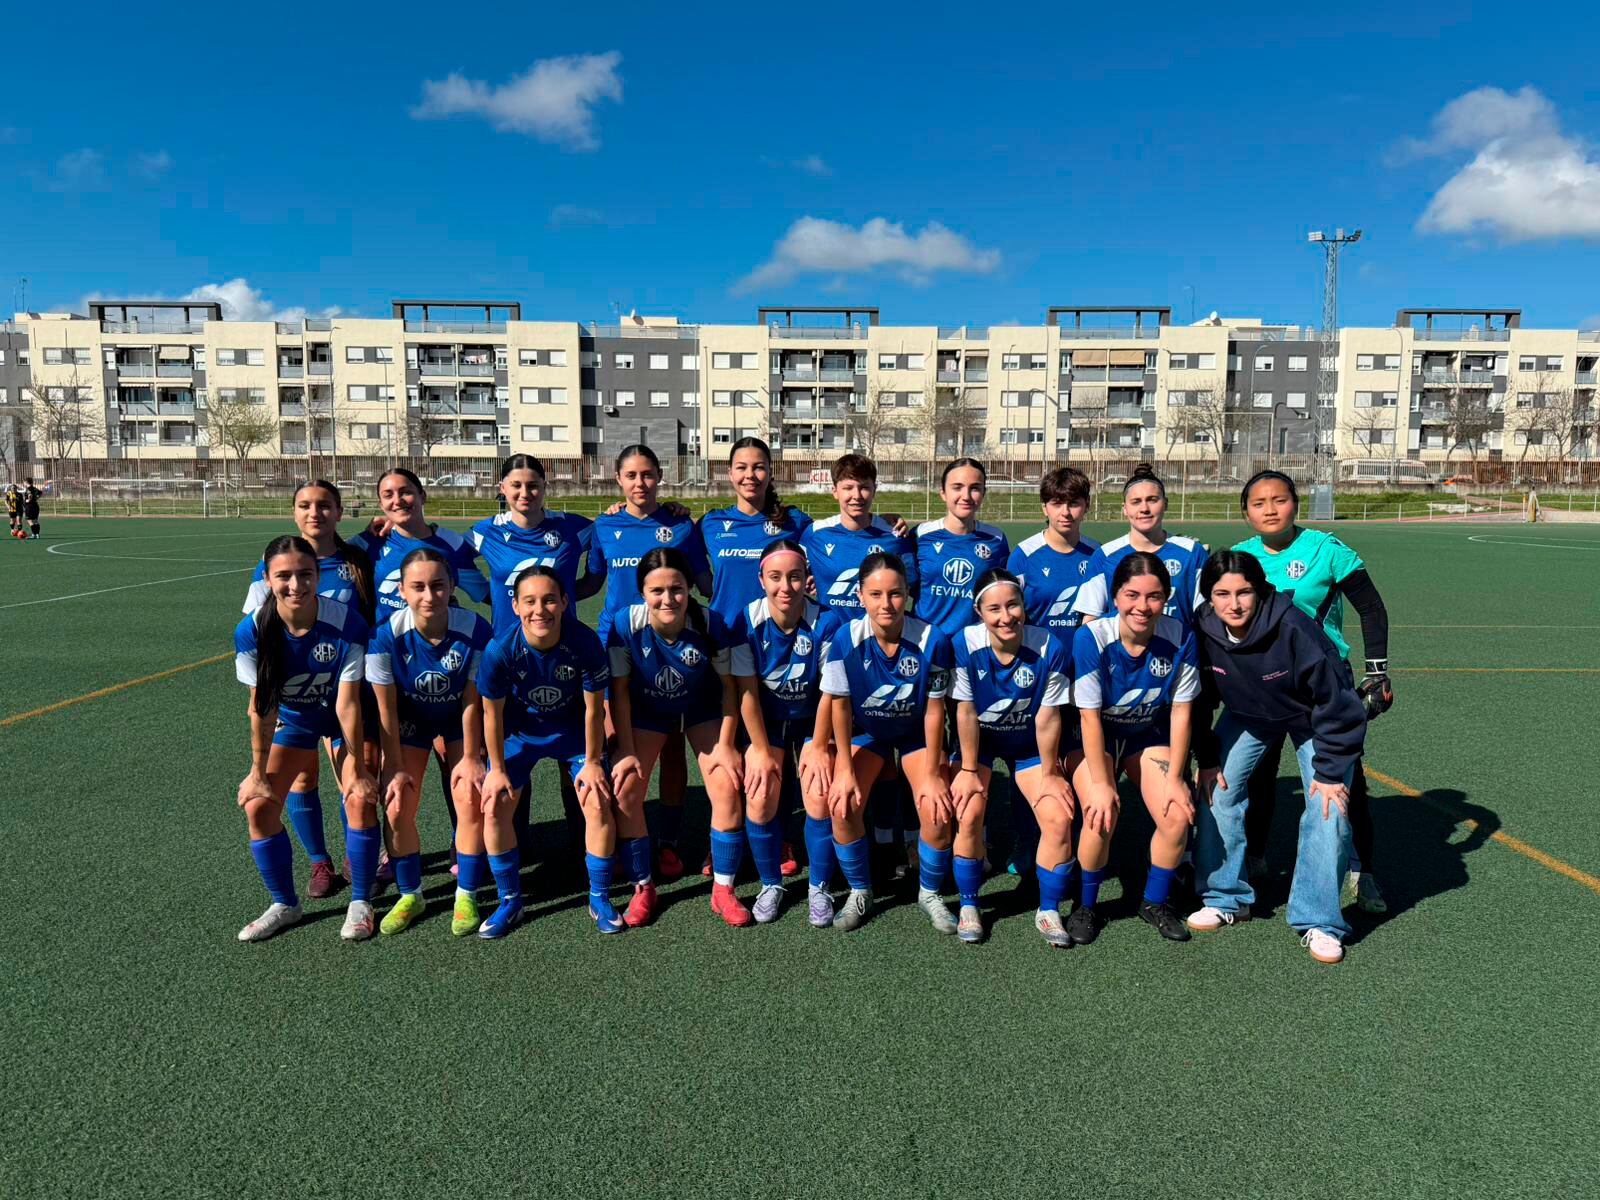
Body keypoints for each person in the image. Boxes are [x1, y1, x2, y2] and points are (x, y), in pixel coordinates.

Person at [1187, 551, 1368, 964]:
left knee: (1328, 805)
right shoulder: (1204, 627)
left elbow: (1338, 703)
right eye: (1222, 593)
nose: (1234, 603)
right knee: (1215, 789)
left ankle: (1320, 920)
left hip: (1312, 719)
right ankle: (1226, 897)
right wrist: (1208, 754)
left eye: (1244, 592)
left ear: (1261, 590)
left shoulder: (1293, 628)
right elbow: (1198, 697)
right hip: (1249, 714)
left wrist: (1330, 769)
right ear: (1208, 597)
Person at [1232, 470, 1392, 912]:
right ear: (1245, 512)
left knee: (1344, 779)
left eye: (1278, 500)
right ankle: (1256, 858)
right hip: (1263, 683)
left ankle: (1363, 873)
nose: (1269, 509)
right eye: (1258, 502)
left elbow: (1372, 609)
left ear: (1294, 504)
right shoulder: (1239, 557)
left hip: (1323, 681)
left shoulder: (1326, 549)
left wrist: (1377, 671)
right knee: (1257, 774)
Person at [233, 535, 379, 942]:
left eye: (304, 574)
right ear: (266, 579)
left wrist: (362, 770)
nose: (295, 585)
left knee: (359, 796)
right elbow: (262, 708)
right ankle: (285, 903)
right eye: (283, 576)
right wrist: (256, 772)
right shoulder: (252, 632)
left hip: (341, 718)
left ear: (317, 575)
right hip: (295, 723)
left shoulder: (346, 622)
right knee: (259, 806)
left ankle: (361, 901)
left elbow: (348, 704)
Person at [468, 453, 599, 862]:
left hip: (565, 654)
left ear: (545, 487)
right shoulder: (484, 532)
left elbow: (597, 566)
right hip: (512, 659)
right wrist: (489, 597)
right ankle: (515, 844)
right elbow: (452, 559)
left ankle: (582, 843)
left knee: (570, 745)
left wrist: (571, 596)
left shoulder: (573, 528)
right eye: (516, 485)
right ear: (502, 489)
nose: (526, 492)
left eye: (533, 484)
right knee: (510, 748)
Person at [591, 445, 714, 882]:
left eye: (647, 474)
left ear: (660, 477)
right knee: (615, 745)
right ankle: (618, 840)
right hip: (619, 645)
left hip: (671, 647)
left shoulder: (680, 524)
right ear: (618, 479)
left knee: (672, 746)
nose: (639, 483)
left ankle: (669, 841)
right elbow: (586, 580)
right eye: (631, 475)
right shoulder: (604, 524)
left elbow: (705, 583)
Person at [609, 547, 747, 928]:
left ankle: (724, 889)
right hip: (648, 711)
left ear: (689, 589)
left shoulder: (709, 622)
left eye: (677, 589)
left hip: (702, 710)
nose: (668, 598)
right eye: (657, 591)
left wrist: (726, 744)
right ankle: (643, 886)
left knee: (727, 784)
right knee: (626, 790)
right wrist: (623, 746)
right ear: (642, 592)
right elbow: (619, 691)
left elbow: (729, 687)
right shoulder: (625, 623)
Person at [475, 566, 616, 937]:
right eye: (531, 601)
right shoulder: (500, 649)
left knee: (597, 799)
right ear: (516, 606)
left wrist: (591, 762)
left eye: (550, 599)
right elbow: (492, 715)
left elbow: (593, 709)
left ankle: (599, 896)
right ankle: (510, 901)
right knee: (494, 805)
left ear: (565, 602)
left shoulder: (584, 642)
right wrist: (497, 769)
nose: (541, 610)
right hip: (520, 734)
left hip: (571, 732)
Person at [819, 551, 954, 934]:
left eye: (895, 594)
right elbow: (840, 709)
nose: (886, 604)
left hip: (914, 733)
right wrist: (843, 769)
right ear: (860, 596)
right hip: (868, 732)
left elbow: (933, 711)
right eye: (876, 595)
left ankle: (928, 892)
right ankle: (861, 890)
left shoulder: (933, 639)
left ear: (908, 594)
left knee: (936, 808)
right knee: (843, 806)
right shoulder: (845, 639)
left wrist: (931, 774)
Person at [1069, 552, 1200, 945]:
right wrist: (1102, 782)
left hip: (1146, 735)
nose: (1142, 607)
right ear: (1114, 596)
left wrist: (1176, 777)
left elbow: (1181, 712)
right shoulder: (1090, 637)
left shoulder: (1181, 636)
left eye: (1154, 596)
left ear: (1167, 597)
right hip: (1097, 737)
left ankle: (1154, 902)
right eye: (1132, 595)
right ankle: (1086, 905)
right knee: (1100, 811)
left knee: (1178, 812)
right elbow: (1089, 717)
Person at [800, 452, 920, 878]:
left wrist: (897, 523)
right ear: (834, 490)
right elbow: (781, 541)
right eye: (848, 487)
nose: (857, 495)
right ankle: (845, 841)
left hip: (886, 659)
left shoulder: (894, 534)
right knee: (846, 752)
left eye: (864, 486)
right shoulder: (812, 533)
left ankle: (894, 840)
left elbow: (910, 590)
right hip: (836, 662)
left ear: (875, 490)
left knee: (889, 754)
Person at [365, 547, 493, 936]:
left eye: (438, 585)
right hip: (411, 723)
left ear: (451, 586)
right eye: (418, 587)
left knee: (470, 794)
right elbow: (386, 710)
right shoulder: (383, 636)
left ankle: (466, 894)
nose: (429, 595)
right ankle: (411, 893)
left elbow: (474, 701)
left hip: (459, 719)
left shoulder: (475, 628)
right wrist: (395, 764)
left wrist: (471, 756)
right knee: (397, 800)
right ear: (402, 590)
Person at [950, 568, 1078, 947]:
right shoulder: (963, 644)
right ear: (979, 611)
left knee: (1058, 816)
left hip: (1028, 747)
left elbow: (1047, 715)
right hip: (981, 746)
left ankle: (1049, 908)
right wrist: (970, 770)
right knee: (969, 811)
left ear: (1024, 605)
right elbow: (966, 712)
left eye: (1013, 605)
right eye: (994, 609)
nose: (1005, 617)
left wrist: (1052, 772)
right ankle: (970, 905)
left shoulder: (1050, 647)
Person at [727, 539, 842, 925]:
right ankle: (771, 883)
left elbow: (830, 690)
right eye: (775, 577)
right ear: (761, 579)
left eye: (794, 577)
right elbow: (746, 690)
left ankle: (819, 887)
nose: (785, 587)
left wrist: (821, 745)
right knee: (760, 795)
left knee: (820, 793)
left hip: (813, 719)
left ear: (807, 579)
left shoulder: (827, 621)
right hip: (769, 722)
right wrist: (758, 748)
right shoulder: (746, 621)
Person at [1073, 464, 1208, 628]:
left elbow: (1205, 617)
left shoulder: (1192, 553)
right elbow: (1090, 620)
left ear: (1165, 504)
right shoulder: (1105, 556)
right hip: (1121, 653)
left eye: (1152, 500)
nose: (1144, 508)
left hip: (1178, 652)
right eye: (1136, 502)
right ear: (1125, 508)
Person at [352, 467, 489, 618]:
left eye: (405, 492)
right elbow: (327, 552)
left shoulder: (452, 544)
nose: (397, 500)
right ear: (381, 505)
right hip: (386, 640)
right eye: (388, 495)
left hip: (434, 639)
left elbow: (483, 593)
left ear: (422, 496)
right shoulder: (371, 541)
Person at [913, 458, 1010, 643]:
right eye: (957, 487)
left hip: (972, 646)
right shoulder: (919, 535)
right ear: (943, 492)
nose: (966, 496)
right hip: (924, 642)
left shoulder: (996, 540)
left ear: (983, 492)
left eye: (974, 488)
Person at [1006, 466, 1100, 639]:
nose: (1065, 512)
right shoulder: (1023, 555)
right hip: (1039, 661)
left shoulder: (1099, 554)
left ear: (1087, 505)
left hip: (1084, 661)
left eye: (1073, 503)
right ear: (1044, 508)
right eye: (1057, 503)